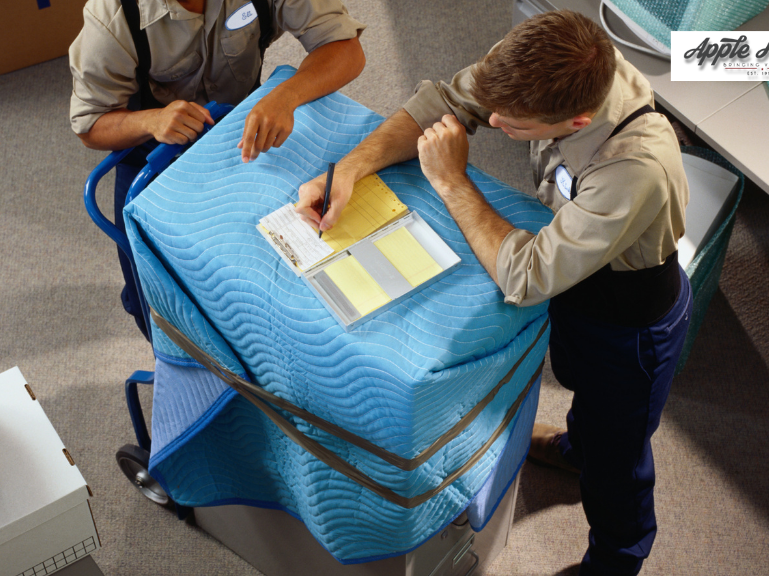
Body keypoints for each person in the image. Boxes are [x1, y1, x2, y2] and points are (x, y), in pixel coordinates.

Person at [296, 10, 691, 576]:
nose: (493, 118)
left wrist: (452, 180)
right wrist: (351, 169)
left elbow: (527, 276)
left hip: (630, 322)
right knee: (577, 382)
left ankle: (616, 558)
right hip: (576, 286)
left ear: (577, 120)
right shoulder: (543, 56)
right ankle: (576, 448)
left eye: (514, 124)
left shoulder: (636, 167)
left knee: (619, 462)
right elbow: (446, 102)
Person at [69, 0, 366, 338]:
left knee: (277, 279)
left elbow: (346, 49)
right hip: (155, 162)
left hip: (246, 137)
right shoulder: (113, 14)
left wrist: (288, 95)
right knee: (160, 304)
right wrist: (152, 120)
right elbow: (89, 125)